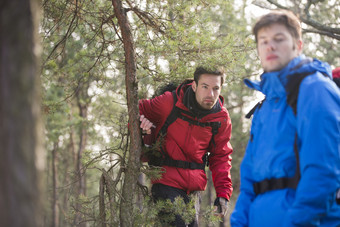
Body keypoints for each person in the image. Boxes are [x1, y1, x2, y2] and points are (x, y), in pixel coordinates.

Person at [230, 10, 340, 227]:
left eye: (279, 39)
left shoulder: (315, 89)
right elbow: (250, 177)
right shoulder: (264, 106)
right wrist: (239, 222)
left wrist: (298, 222)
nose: (270, 46)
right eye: (264, 42)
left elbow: (323, 170)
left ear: (297, 45)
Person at [139, 66, 233, 226]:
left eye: (215, 88)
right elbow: (138, 110)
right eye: (205, 87)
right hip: (165, 180)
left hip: (194, 189)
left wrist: (223, 194)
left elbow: (221, 156)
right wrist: (142, 126)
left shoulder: (221, 118)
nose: (210, 94)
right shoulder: (169, 102)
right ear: (195, 86)